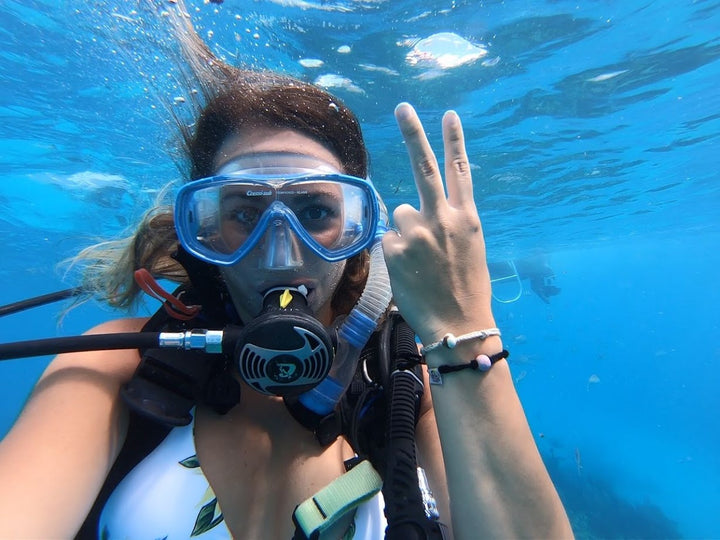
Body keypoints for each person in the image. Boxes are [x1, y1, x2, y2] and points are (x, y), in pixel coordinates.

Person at [0, 4, 572, 539]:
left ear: (358, 232)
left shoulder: (409, 379)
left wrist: (464, 326)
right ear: (202, 230)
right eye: (245, 213)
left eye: (317, 213)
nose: (280, 254)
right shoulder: (118, 367)